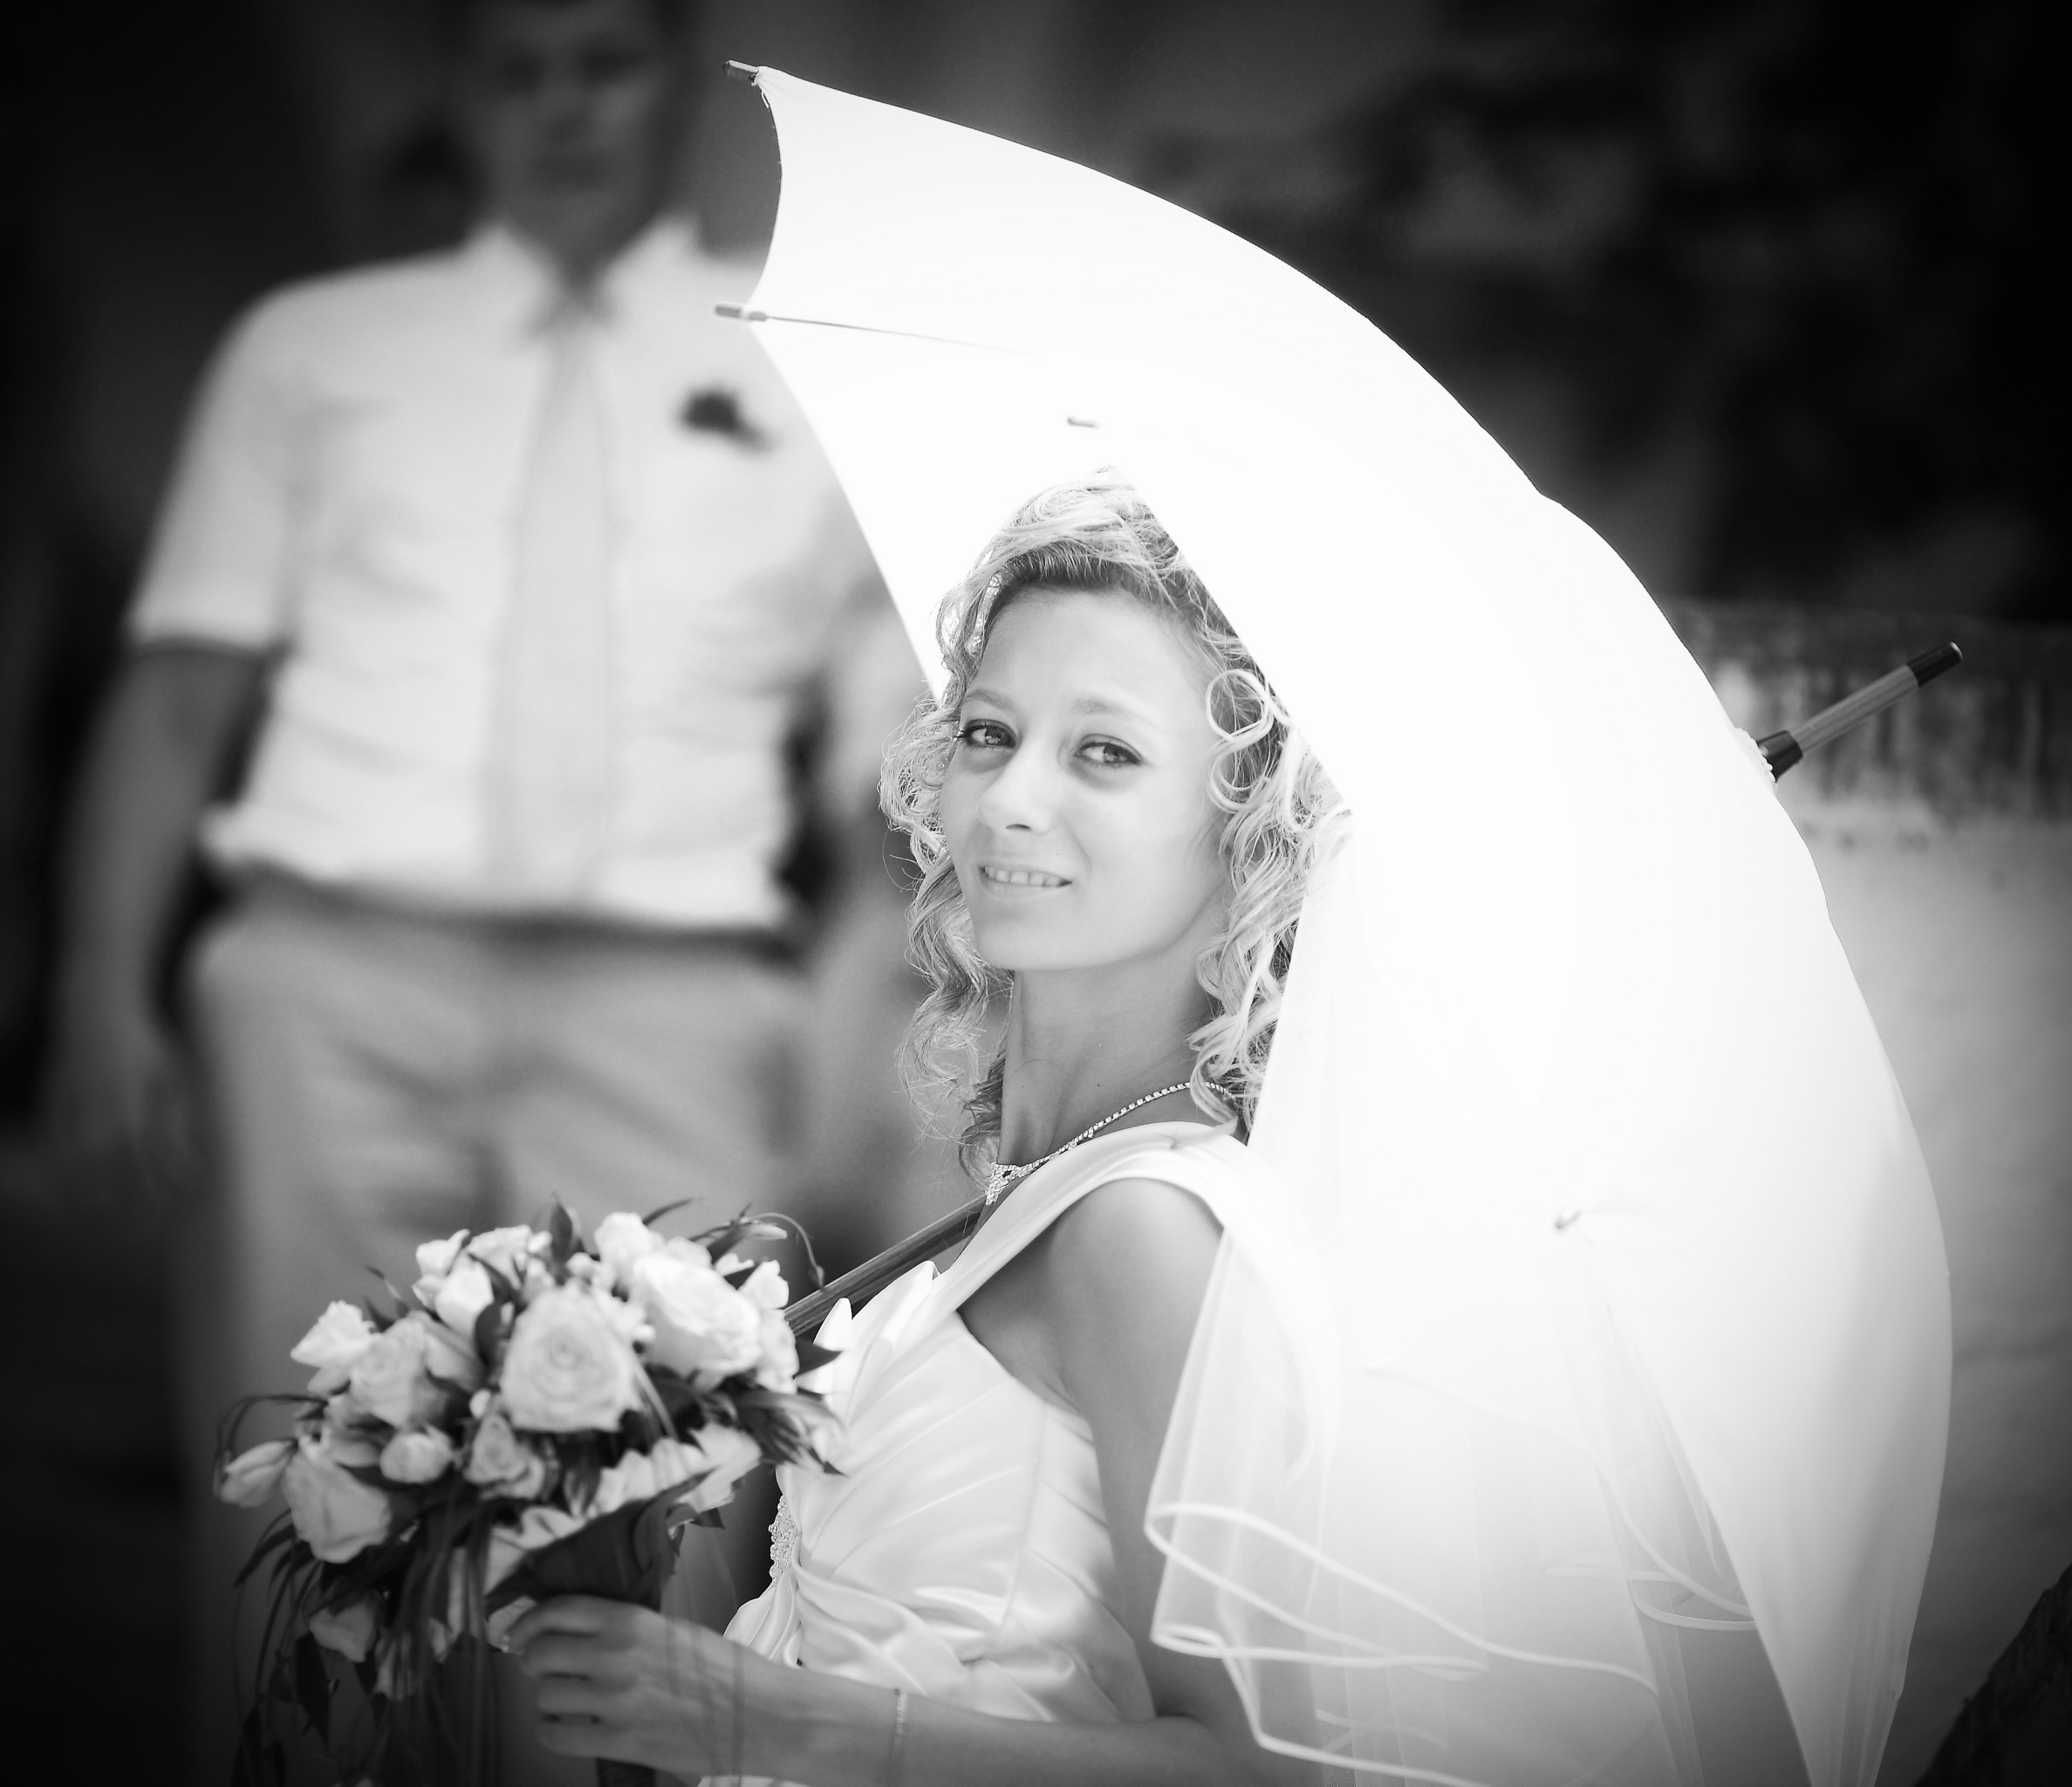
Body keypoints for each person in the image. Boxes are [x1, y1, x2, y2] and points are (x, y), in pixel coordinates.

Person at [43, 0, 880, 1777]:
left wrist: (860, 1014)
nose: (564, 106)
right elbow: (178, 690)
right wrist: (97, 994)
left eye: (606, 63)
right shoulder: (315, 349)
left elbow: (885, 750)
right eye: (520, 68)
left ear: (680, 83)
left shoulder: (801, 363)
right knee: (311, 1480)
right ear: (463, 94)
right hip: (333, 977)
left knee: (674, 1495)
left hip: (673, 992)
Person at [509, 482, 1337, 1783]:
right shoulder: (1038, 1184)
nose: (1010, 798)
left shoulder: (1141, 1231)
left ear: (1249, 828)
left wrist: (760, 1722)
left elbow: (1260, 1772)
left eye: (1105, 753)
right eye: (991, 733)